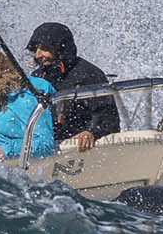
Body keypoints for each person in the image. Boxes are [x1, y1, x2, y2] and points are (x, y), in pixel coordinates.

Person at [27, 22, 120, 152]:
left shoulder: (88, 75)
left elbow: (109, 117)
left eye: (44, 49)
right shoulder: (38, 76)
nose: (38, 55)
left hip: (81, 148)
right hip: (47, 147)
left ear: (60, 48)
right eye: (35, 49)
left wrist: (91, 132)